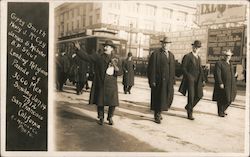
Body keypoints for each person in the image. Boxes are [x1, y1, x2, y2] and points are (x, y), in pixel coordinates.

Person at [74, 40, 122, 125]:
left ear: (111, 49)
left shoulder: (117, 59)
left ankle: (110, 117)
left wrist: (115, 67)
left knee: (113, 102)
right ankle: (101, 117)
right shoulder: (98, 56)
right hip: (101, 82)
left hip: (111, 84)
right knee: (100, 102)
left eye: (107, 46)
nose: (105, 47)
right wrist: (79, 50)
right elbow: (87, 57)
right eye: (105, 46)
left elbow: (120, 72)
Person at [147, 37, 175, 124]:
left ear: (170, 45)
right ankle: (157, 114)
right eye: (164, 43)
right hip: (158, 81)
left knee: (167, 98)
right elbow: (151, 68)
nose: (166, 45)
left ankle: (160, 112)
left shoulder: (171, 55)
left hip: (168, 81)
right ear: (162, 44)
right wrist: (152, 80)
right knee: (158, 98)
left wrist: (172, 80)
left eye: (167, 44)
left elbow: (173, 69)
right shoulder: (156, 54)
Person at [178, 40, 205, 120]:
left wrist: (203, 80)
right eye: (195, 47)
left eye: (198, 48)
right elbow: (183, 68)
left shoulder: (199, 58)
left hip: (198, 80)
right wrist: (189, 76)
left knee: (199, 96)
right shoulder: (187, 56)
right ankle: (190, 113)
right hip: (190, 80)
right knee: (191, 96)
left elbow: (200, 70)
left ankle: (188, 107)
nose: (196, 49)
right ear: (193, 47)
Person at [212, 49, 237, 117]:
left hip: (230, 85)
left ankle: (223, 110)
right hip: (223, 84)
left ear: (231, 56)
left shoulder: (231, 64)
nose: (228, 57)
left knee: (229, 99)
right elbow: (217, 74)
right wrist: (220, 83)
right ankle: (220, 112)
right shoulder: (219, 63)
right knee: (221, 98)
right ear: (224, 56)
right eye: (226, 55)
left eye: (229, 55)